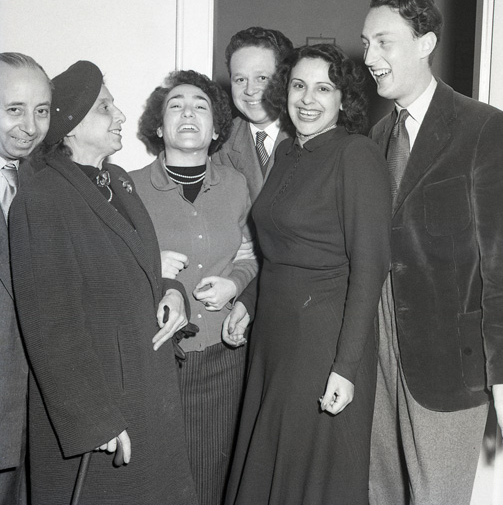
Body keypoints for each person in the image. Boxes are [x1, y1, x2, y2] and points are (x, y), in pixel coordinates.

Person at [361, 0, 503, 505]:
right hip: (376, 358)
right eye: (366, 43)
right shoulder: (373, 139)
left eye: (384, 42)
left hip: (448, 365)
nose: (370, 57)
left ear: (425, 44)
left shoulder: (484, 128)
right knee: (379, 495)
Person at [9, 60, 199, 505]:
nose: (120, 116)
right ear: (71, 127)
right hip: (104, 411)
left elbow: (142, 268)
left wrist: (174, 293)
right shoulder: (42, 198)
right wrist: (94, 421)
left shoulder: (116, 181)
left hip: (145, 392)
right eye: (105, 108)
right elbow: (51, 325)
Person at [223, 43, 392, 505]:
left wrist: (345, 367)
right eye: (299, 85)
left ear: (343, 99)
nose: (308, 99)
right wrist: (248, 301)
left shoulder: (356, 154)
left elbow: (370, 268)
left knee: (309, 475)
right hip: (275, 337)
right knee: (270, 466)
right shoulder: (287, 152)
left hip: (322, 340)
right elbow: (279, 250)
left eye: (323, 88)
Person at [130, 70, 258, 505]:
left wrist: (234, 284)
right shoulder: (128, 187)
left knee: (210, 480)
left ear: (216, 128)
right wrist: (152, 266)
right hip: (153, 359)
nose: (188, 113)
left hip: (222, 361)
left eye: (200, 106)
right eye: (176, 106)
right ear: (159, 126)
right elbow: (107, 268)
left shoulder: (236, 186)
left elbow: (250, 256)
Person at [0, 53, 51, 505]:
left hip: (32, 416)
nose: (30, 127)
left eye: (42, 111)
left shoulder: (47, 181)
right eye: (14, 110)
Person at [212, 26, 293, 202]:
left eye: (262, 78)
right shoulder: (221, 142)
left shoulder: (306, 135)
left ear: (285, 79)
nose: (250, 90)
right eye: (240, 79)